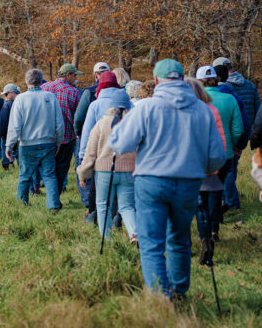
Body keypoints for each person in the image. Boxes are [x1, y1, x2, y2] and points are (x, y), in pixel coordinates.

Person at [108, 59, 225, 299]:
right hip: (189, 181)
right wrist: (200, 169)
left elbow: (121, 143)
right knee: (180, 239)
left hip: (151, 181)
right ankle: (178, 290)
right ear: (182, 78)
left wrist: (117, 128)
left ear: (157, 79)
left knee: (152, 242)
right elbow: (216, 157)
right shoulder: (202, 109)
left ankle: (161, 297)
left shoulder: (146, 108)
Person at [78, 90, 137, 241]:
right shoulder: (134, 123)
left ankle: (107, 239)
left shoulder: (101, 124)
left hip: (104, 171)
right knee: (127, 206)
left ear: (110, 107)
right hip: (129, 170)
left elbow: (90, 153)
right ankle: (134, 233)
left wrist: (83, 174)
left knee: (103, 205)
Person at [6, 69, 64, 212]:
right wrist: (58, 141)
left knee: (25, 176)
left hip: (27, 144)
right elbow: (59, 124)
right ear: (41, 80)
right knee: (49, 176)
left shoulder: (20, 99)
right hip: (48, 142)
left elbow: (15, 126)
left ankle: (22, 203)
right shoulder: (50, 97)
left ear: (26, 82)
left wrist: (9, 145)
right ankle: (53, 205)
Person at [185, 76, 226, 263]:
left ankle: (187, 243)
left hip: (188, 166)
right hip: (210, 164)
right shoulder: (212, 110)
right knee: (206, 207)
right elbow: (220, 138)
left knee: (187, 207)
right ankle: (207, 236)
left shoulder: (183, 112)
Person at [198, 65, 244, 227]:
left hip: (202, 153)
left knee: (205, 189)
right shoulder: (230, 99)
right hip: (226, 151)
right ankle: (217, 218)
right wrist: (230, 141)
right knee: (221, 184)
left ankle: (208, 223)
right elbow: (238, 128)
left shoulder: (196, 102)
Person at [74, 62, 110, 224]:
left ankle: (90, 208)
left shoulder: (89, 92)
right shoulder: (121, 93)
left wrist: (78, 133)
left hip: (91, 138)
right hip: (115, 142)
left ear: (95, 75)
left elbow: (79, 117)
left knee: (85, 172)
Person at [214, 64, 252, 213]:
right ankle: (228, 202)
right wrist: (240, 144)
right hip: (232, 142)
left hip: (217, 144)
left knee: (224, 174)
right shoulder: (233, 96)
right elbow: (243, 123)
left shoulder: (206, 97)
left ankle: (230, 202)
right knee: (230, 172)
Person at [41, 63, 82, 193]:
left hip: (45, 135)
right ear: (68, 75)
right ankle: (56, 194)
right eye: (74, 75)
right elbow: (78, 116)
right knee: (62, 167)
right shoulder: (74, 92)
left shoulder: (44, 88)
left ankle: (49, 192)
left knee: (48, 166)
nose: (76, 78)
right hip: (66, 136)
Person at [0, 84, 20, 172]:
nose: (5, 96)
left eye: (6, 94)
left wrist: (1, 134)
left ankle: (6, 168)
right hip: (19, 134)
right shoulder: (21, 103)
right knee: (18, 152)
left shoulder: (6, 106)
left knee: (5, 151)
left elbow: (3, 122)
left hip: (7, 134)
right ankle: (19, 167)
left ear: (12, 93)